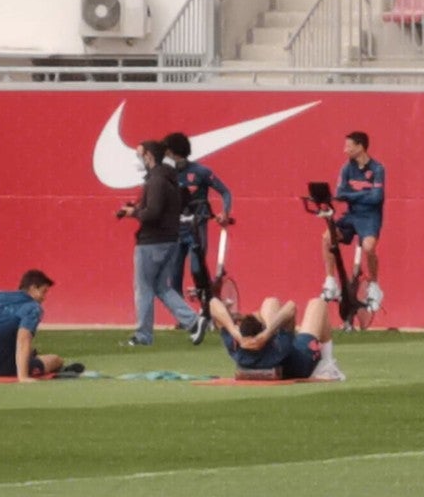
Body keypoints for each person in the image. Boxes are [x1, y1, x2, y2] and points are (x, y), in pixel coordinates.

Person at [119, 139, 208, 346]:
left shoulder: (156, 181)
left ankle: (143, 336)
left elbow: (153, 213)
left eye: (140, 154)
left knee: (144, 288)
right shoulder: (169, 179)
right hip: (169, 240)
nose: (138, 159)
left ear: (149, 156)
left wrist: (134, 212)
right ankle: (194, 322)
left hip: (152, 242)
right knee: (162, 287)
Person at [0, 269, 77, 383]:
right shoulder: (33, 307)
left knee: (30, 352)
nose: (44, 298)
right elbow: (23, 339)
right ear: (33, 288)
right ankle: (33, 365)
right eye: (43, 292)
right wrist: (23, 377)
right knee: (55, 360)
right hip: (6, 369)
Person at [321, 131, 385, 327]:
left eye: (349, 146)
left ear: (360, 147)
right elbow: (340, 193)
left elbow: (376, 198)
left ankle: (374, 286)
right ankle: (331, 282)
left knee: (368, 247)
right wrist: (360, 194)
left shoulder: (377, 169)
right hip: (351, 216)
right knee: (327, 237)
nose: (345, 150)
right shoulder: (346, 169)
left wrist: (353, 195)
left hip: (370, 217)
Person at [162, 132, 233, 309]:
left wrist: (224, 212)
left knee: (196, 268)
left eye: (168, 153)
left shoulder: (200, 172)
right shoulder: (166, 175)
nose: (166, 157)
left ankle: (208, 308)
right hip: (176, 230)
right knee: (174, 273)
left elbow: (225, 192)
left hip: (196, 228)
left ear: (175, 152)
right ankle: (183, 316)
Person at [208, 296, 345, 381]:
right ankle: (326, 364)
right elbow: (291, 307)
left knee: (270, 301)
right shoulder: (278, 348)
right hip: (302, 359)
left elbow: (213, 303)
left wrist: (234, 331)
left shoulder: (236, 348)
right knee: (318, 303)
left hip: (270, 354)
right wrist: (267, 333)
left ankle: (257, 325)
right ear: (262, 328)